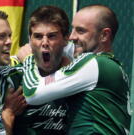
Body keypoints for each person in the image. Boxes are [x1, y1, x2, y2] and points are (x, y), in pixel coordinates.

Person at [20, 4, 130, 135]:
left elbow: (33, 93)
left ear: (104, 35)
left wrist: (28, 60)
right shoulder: (112, 66)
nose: (72, 37)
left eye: (81, 31)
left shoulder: (93, 63)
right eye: (72, 29)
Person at [1, 5, 71, 135]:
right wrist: (7, 112)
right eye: (38, 36)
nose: (44, 42)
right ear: (30, 40)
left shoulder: (78, 76)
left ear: (66, 39)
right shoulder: (12, 78)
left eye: (52, 36)